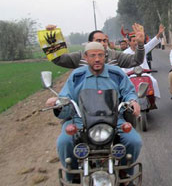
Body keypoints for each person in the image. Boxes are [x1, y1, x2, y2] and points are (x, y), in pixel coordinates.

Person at [45, 42, 142, 181]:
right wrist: (57, 102)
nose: (97, 59)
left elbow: (129, 91)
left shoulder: (116, 73)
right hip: (80, 120)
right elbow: (66, 97)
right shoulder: (77, 75)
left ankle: (124, 172)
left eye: (100, 55)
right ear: (86, 57)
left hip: (114, 119)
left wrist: (132, 101)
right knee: (64, 142)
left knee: (134, 141)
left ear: (105, 56)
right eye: (93, 55)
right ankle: (73, 177)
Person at [45, 23, 145, 69]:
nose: (102, 43)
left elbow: (136, 60)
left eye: (104, 40)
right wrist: (52, 40)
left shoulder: (115, 56)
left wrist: (140, 44)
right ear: (89, 43)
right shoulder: (80, 57)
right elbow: (57, 59)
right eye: (98, 40)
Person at [123, 24, 165, 99]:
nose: (136, 42)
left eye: (136, 40)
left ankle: (152, 100)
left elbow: (152, 43)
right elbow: (122, 67)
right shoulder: (125, 53)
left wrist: (159, 33)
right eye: (133, 41)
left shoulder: (142, 48)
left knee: (154, 81)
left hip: (145, 74)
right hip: (131, 76)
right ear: (129, 42)